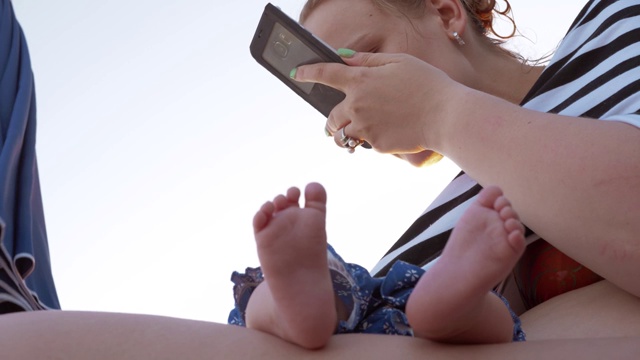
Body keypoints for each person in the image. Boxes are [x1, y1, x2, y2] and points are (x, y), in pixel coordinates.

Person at [2, 0, 640, 359]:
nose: (349, 106)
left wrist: (437, 110)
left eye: (363, 59)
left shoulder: (615, 24)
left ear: (447, 12)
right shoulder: (455, 208)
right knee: (306, 296)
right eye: (329, 93)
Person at [230, 182, 527, 349]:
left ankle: (287, 311)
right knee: (491, 324)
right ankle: (451, 309)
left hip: (348, 315)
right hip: (393, 313)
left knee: (256, 305)